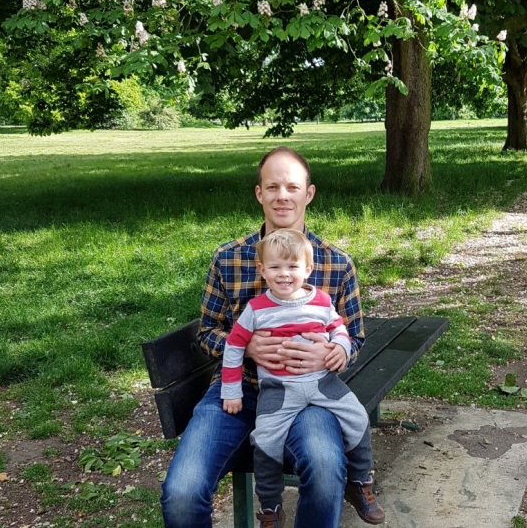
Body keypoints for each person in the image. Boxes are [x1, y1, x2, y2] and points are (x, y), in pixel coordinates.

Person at [161, 146, 373, 528]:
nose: (282, 195)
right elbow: (206, 332)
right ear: (259, 193)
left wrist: (330, 355)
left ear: (308, 193)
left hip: (309, 394)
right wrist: (245, 347)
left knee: (326, 471)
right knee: (182, 493)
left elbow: (355, 338)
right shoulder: (229, 258)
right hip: (236, 393)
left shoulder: (336, 263)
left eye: (292, 186)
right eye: (272, 186)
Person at [221, 228, 385, 526]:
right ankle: (270, 508)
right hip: (279, 389)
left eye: (293, 267)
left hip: (323, 382)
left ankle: (360, 482)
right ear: (262, 270)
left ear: (308, 269)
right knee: (265, 442)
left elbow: (340, 329)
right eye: (275, 267)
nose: (284, 274)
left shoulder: (320, 301)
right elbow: (233, 345)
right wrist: (231, 390)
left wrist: (340, 348)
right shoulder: (256, 310)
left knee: (359, 418)